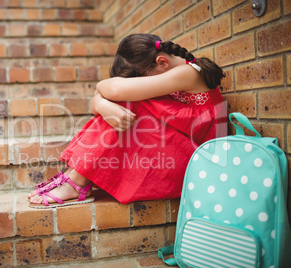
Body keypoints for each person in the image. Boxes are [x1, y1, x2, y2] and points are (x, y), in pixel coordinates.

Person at [29, 34, 227, 208]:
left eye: (139, 80)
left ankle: (77, 181)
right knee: (124, 105)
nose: (139, 85)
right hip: (183, 147)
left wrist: (101, 95)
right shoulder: (175, 71)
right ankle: (77, 176)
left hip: (201, 159)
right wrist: (101, 104)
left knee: (130, 104)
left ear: (162, 62)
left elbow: (115, 90)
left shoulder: (189, 72)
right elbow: (110, 94)